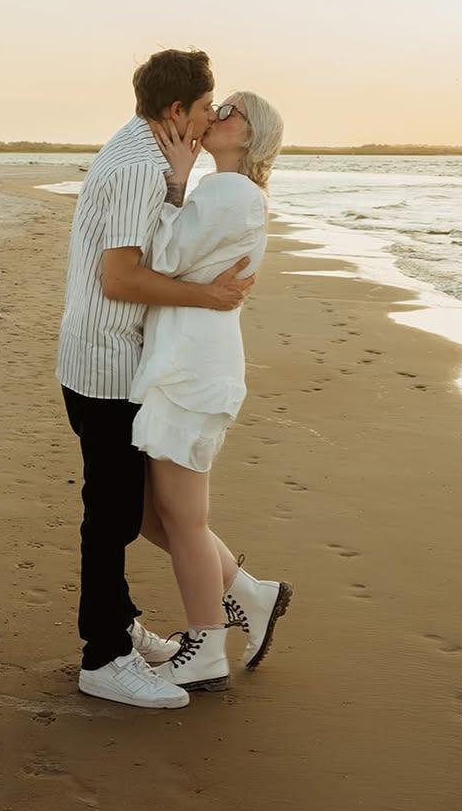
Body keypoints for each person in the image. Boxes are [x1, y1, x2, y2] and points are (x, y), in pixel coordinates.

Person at [57, 49, 255, 709]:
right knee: (110, 516)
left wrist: (181, 180)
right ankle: (104, 658)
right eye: (205, 109)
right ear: (177, 111)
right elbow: (121, 278)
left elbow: (148, 244)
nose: (209, 119)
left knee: (119, 507)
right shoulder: (143, 164)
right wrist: (211, 298)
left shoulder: (139, 145)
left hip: (98, 358)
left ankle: (120, 627)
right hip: (106, 364)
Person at [129, 91, 293, 692]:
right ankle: (251, 593)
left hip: (191, 370)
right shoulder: (230, 192)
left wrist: (175, 180)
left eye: (231, 114)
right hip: (190, 364)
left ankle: (204, 646)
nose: (215, 117)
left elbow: (163, 256)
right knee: (156, 512)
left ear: (252, 138)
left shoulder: (229, 191)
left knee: (183, 518)